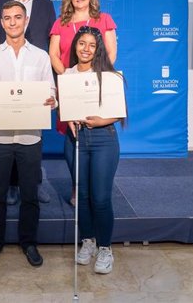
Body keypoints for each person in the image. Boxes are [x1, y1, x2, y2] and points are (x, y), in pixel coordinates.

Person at [0, 0, 57, 268]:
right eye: (7, 18)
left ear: (26, 21)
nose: (12, 22)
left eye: (17, 17)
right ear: (1, 22)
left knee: (30, 195)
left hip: (30, 137)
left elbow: (51, 91)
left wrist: (51, 100)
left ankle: (29, 242)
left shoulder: (41, 56)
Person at [0, 0, 56, 204]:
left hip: (35, 76)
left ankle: (33, 183)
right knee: (7, 131)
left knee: (31, 134)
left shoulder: (47, 4)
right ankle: (12, 186)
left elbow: (50, 41)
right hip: (6, 75)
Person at [48, 0, 117, 205]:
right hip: (69, 84)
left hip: (97, 84)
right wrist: (70, 77)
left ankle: (97, 188)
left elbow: (110, 54)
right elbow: (54, 55)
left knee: (94, 126)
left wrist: (92, 75)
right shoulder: (61, 23)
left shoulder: (104, 19)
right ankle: (78, 187)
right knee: (73, 133)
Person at [62, 26, 123, 275]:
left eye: (91, 45)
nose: (85, 49)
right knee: (83, 196)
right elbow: (64, 107)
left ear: (98, 50)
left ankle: (105, 248)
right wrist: (67, 118)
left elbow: (119, 113)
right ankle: (88, 241)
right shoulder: (67, 74)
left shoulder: (109, 76)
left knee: (100, 197)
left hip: (103, 139)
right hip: (76, 139)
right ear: (75, 45)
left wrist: (100, 121)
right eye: (81, 43)